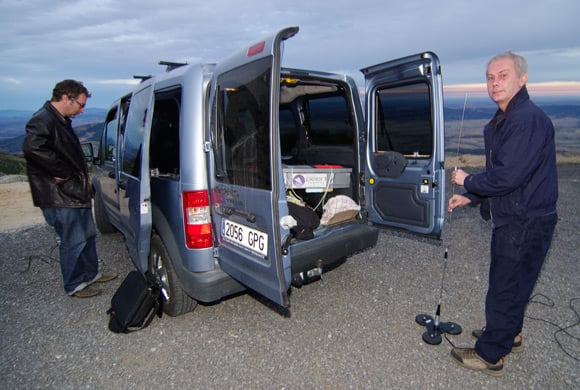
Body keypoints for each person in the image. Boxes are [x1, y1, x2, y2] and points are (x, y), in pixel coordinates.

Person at [447, 51, 558, 376]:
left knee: (505, 285)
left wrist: (467, 179)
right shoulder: (509, 117)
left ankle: (491, 354)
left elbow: (508, 176)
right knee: (517, 282)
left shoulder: (524, 120)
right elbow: (507, 176)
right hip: (523, 215)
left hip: (523, 221)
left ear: (522, 79)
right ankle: (509, 334)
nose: (495, 83)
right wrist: (471, 196)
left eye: (503, 75)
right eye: (490, 77)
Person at [22, 79, 118, 298]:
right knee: (73, 240)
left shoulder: (60, 119)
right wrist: (60, 172)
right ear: (66, 97)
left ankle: (90, 274)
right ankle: (75, 284)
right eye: (80, 104)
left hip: (73, 192)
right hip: (60, 195)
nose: (82, 110)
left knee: (87, 234)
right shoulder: (43, 119)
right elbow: (32, 147)